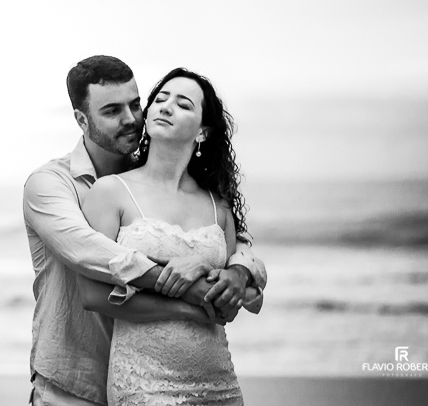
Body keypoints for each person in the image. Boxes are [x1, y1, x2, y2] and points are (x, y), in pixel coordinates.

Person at [24, 56, 265, 406]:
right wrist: (191, 291)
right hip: (76, 382)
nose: (131, 119)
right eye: (111, 111)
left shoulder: (160, 183)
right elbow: (91, 251)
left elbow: (237, 244)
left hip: (169, 372)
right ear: (81, 119)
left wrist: (239, 269)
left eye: (135, 104)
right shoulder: (50, 185)